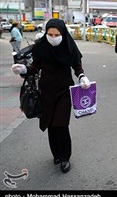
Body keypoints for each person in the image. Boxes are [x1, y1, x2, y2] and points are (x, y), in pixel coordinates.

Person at [11, 19, 91, 173]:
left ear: (63, 33)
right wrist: (23, 69)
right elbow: (35, 67)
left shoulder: (69, 46)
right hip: (46, 92)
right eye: (50, 34)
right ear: (46, 33)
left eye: (57, 34)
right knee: (51, 125)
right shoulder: (41, 47)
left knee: (61, 125)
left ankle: (65, 157)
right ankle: (56, 154)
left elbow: (77, 66)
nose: (53, 37)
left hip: (64, 91)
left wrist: (82, 77)